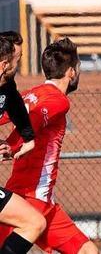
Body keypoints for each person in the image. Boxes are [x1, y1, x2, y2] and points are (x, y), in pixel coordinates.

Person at [0, 37, 98, 254]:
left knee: (87, 250)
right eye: (78, 68)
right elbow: (32, 124)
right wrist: (11, 145)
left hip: (43, 201)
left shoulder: (31, 94)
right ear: (71, 72)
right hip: (30, 198)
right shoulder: (59, 101)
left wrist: (9, 144)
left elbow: (9, 114)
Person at [0, 31, 47, 254]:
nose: (19, 63)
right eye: (17, 59)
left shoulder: (6, 86)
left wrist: (28, 138)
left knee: (33, 222)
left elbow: (16, 106)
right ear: (3, 64)